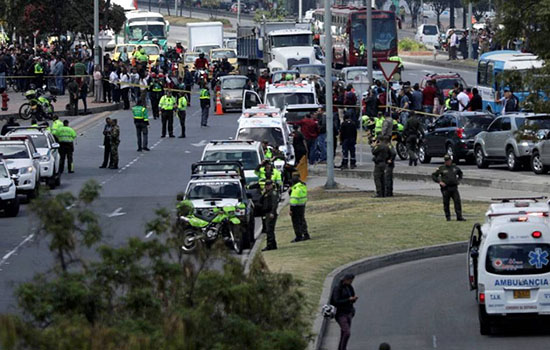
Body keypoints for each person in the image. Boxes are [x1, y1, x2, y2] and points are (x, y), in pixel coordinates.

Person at [431, 154, 466, 221]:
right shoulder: (441, 168)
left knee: (457, 202)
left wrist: (458, 180)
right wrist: (439, 182)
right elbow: (434, 176)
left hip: (454, 187)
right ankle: (448, 217)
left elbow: (460, 174)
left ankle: (459, 216)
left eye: (448, 160)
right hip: (446, 188)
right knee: (446, 203)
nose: (447, 162)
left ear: (451, 160)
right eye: (446, 161)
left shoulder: (455, 167)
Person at [331, 273, 357, 350]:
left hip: (349, 312)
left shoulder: (349, 287)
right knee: (347, 332)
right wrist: (348, 300)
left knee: (344, 332)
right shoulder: (338, 288)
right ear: (345, 280)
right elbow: (335, 301)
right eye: (350, 280)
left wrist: (353, 300)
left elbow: (352, 296)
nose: (351, 282)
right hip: (340, 313)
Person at [289, 175, 309, 243]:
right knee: (302, 220)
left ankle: (298, 236)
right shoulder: (302, 186)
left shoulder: (295, 189)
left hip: (296, 207)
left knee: (296, 222)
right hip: (302, 205)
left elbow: (293, 201)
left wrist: (291, 210)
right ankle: (306, 234)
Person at [261, 179, 279, 251]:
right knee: (269, 229)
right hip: (266, 213)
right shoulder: (266, 193)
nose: (268, 186)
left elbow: (275, 204)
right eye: (266, 185)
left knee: (269, 229)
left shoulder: (273, 193)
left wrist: (272, 212)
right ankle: (273, 245)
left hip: (270, 213)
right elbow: (260, 201)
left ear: (272, 185)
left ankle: (270, 245)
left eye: (269, 185)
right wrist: (263, 193)